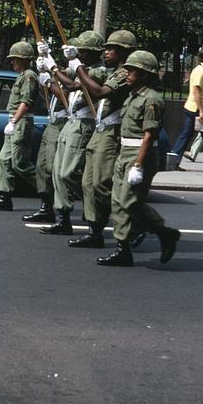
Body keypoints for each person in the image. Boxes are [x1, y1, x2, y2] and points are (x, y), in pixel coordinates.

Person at [96, 51, 181, 267]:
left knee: (129, 201)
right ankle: (123, 250)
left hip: (139, 156)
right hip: (124, 153)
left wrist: (138, 165)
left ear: (143, 74)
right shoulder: (132, 95)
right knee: (117, 202)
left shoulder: (151, 99)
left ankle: (164, 231)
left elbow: (149, 135)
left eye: (131, 70)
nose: (126, 73)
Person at [65, 30, 137, 248]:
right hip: (99, 130)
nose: (106, 52)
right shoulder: (112, 71)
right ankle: (94, 231)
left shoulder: (124, 74)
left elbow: (99, 92)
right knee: (88, 184)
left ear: (123, 51)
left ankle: (133, 225)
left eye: (111, 49)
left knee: (101, 185)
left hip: (111, 133)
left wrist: (78, 66)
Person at [39, 31, 108, 235]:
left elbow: (72, 85)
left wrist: (52, 68)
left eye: (84, 51)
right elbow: (65, 75)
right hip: (71, 121)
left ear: (94, 53)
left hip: (83, 123)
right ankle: (63, 218)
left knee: (69, 173)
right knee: (58, 173)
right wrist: (46, 57)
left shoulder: (98, 71)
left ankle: (97, 206)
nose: (80, 54)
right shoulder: (82, 68)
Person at [0, 41, 38, 211]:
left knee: (19, 163)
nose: (12, 62)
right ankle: (5, 198)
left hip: (21, 121)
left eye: (15, 59)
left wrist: (14, 121)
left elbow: (26, 102)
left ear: (23, 59)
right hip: (14, 120)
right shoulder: (22, 75)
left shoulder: (29, 75)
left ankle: (48, 192)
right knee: (4, 160)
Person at [21, 65, 69, 224]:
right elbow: (46, 95)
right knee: (42, 166)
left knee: (53, 169)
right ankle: (45, 208)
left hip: (62, 123)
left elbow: (66, 99)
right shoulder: (58, 82)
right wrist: (44, 83)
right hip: (52, 123)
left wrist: (49, 82)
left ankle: (63, 216)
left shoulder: (69, 83)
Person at [169, 47, 203, 174]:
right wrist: (202, 111)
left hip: (193, 107)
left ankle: (173, 162)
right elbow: (196, 91)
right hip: (198, 108)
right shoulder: (200, 72)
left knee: (186, 135)